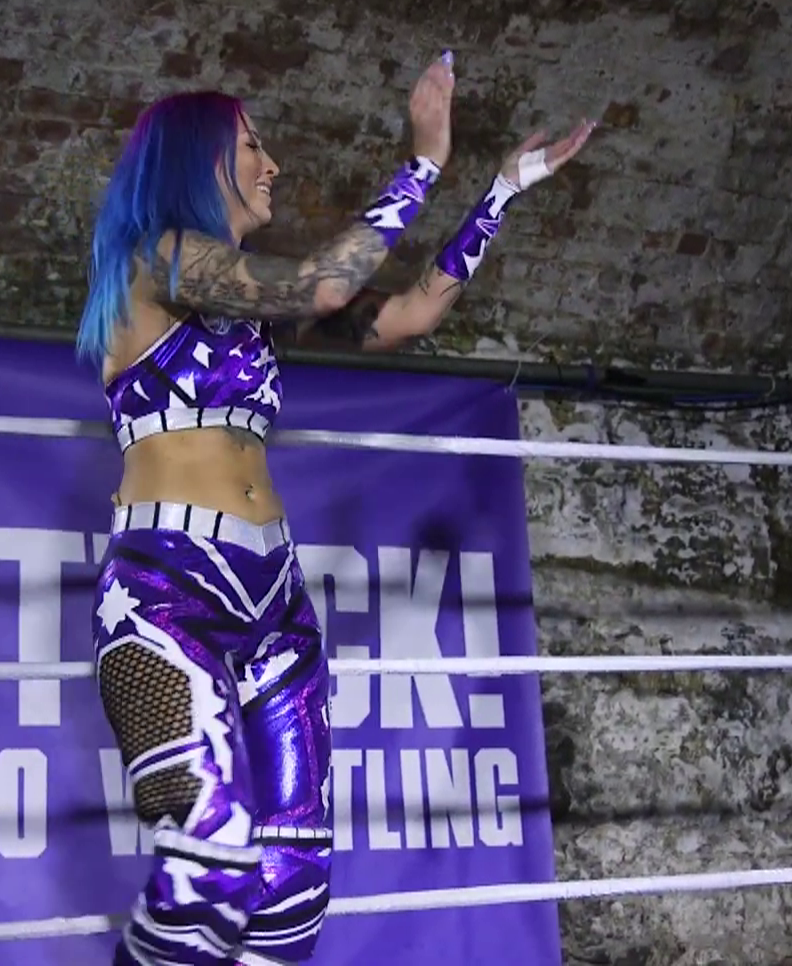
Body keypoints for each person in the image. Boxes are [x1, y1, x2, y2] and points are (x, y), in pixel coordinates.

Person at [73, 52, 593, 966]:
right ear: (196, 161)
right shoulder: (151, 258)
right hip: (166, 591)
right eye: (252, 146)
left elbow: (410, 316)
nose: (272, 165)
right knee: (209, 865)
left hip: (273, 597)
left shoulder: (255, 313)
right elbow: (324, 284)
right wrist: (422, 163)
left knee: (293, 888)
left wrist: (502, 190)